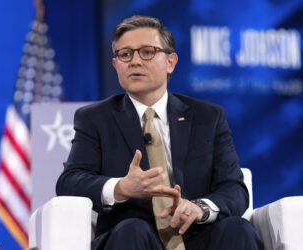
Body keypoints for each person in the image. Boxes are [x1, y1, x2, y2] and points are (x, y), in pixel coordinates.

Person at [56, 15, 263, 250]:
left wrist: (199, 208)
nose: (134, 61)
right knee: (132, 229)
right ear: (116, 66)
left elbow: (234, 188)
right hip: (133, 237)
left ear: (170, 62)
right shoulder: (95, 118)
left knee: (237, 228)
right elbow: (69, 182)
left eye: (147, 52)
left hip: (198, 236)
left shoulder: (207, 117)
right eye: (125, 54)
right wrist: (121, 188)